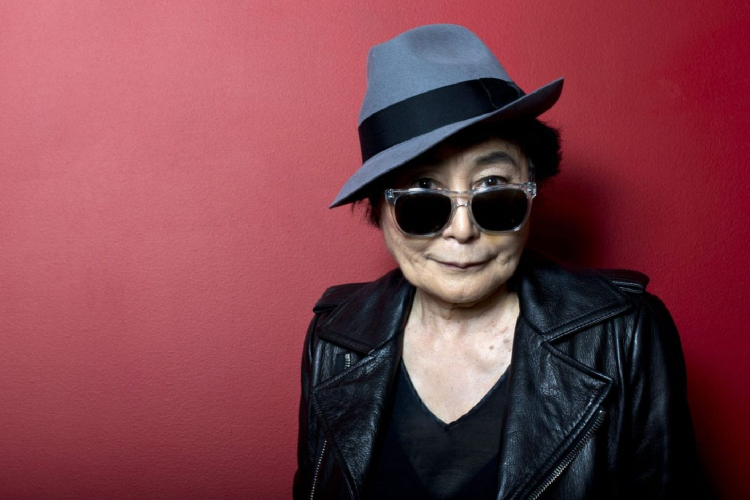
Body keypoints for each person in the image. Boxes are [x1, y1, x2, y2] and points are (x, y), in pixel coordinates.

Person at [294, 24, 704, 499]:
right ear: (380, 211)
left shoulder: (625, 333)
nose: (462, 230)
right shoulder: (335, 339)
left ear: (532, 191)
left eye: (493, 188)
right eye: (422, 196)